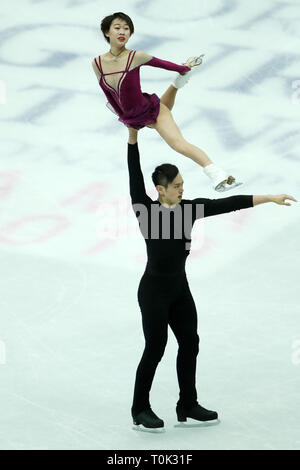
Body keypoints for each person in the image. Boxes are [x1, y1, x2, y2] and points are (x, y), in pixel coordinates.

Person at [126, 125, 297, 432]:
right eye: (176, 185)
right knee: (156, 346)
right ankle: (140, 408)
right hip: (153, 291)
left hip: (179, 288)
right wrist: (133, 137)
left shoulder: (190, 209)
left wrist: (269, 197)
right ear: (160, 190)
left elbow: (228, 204)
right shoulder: (144, 210)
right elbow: (134, 175)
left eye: (182, 183)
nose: (182, 189)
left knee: (190, 343)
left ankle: (187, 404)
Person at [92, 11, 242, 192]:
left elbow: (167, 65)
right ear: (107, 32)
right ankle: (178, 84)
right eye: (117, 28)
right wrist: (125, 118)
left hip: (152, 111)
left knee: (177, 143)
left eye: (127, 29)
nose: (123, 32)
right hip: (135, 116)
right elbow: (109, 95)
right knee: (165, 106)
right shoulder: (97, 63)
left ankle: (217, 173)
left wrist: (185, 68)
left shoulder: (136, 56)